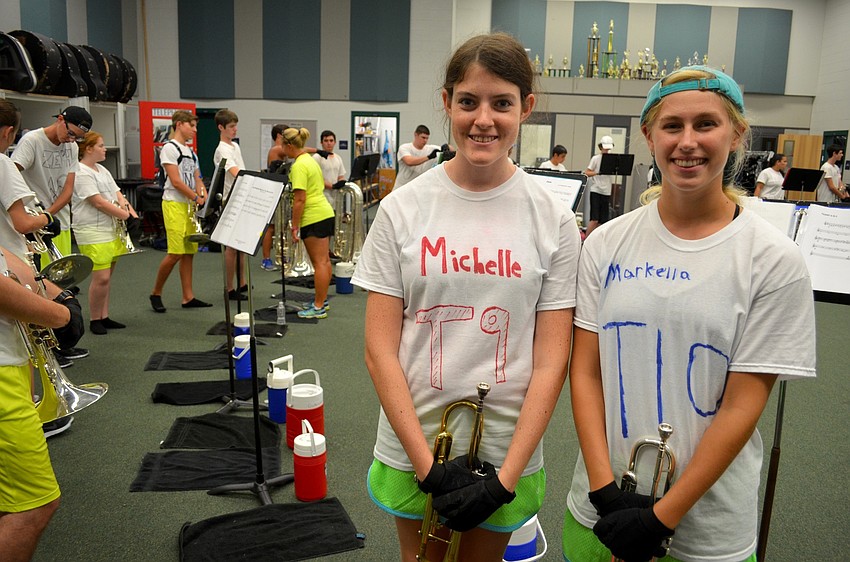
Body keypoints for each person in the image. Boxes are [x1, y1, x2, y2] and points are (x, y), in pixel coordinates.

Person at [563, 66, 816, 562]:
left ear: (737, 134)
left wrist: (662, 515)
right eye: (672, 126)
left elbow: (743, 405)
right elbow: (587, 371)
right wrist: (603, 492)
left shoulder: (774, 261)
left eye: (706, 124)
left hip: (707, 528)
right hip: (601, 506)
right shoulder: (607, 243)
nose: (687, 142)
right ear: (649, 136)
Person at [352, 32, 581, 562]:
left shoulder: (552, 220)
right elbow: (378, 350)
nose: (484, 119)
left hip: (506, 448)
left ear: (526, 106)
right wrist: (427, 467)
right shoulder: (402, 210)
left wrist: (504, 480)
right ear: (447, 101)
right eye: (468, 102)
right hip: (418, 445)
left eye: (502, 103)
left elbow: (552, 361)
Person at [0, 243, 85, 562]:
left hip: (11, 363)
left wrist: (56, 293)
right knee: (33, 506)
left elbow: (5, 260)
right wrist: (60, 314)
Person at [12, 105, 92, 365]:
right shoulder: (32, 140)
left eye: (77, 138)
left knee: (60, 284)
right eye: (70, 133)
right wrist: (35, 218)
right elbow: (12, 176)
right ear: (60, 120)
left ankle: (61, 342)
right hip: (30, 222)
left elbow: (68, 189)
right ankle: (44, 348)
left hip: (53, 220)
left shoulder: (71, 147)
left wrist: (48, 216)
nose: (71, 140)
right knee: (36, 285)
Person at [73, 131, 135, 335]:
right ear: (89, 148)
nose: (105, 148)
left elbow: (117, 193)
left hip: (111, 228)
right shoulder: (81, 172)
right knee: (101, 277)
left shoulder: (101, 169)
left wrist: (130, 210)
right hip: (92, 229)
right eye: (100, 145)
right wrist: (125, 215)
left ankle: (104, 316)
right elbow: (97, 202)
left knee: (108, 275)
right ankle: (94, 319)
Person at [149, 110, 211, 312]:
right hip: (174, 204)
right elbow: (175, 181)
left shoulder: (191, 152)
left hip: (189, 207)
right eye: (191, 125)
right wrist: (195, 196)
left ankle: (188, 296)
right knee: (175, 252)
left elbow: (197, 178)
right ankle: (156, 293)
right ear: (179, 124)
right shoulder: (169, 148)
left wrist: (203, 195)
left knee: (189, 253)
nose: (194, 130)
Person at [281, 128, 335, 319]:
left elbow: (300, 200)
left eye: (282, 145)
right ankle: (321, 300)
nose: (281, 149)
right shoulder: (309, 160)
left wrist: (294, 226)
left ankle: (319, 306)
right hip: (324, 212)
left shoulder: (298, 166)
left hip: (314, 216)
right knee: (324, 262)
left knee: (319, 263)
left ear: (289, 145)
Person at [0, 100, 58, 264]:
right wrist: (47, 218)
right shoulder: (3, 163)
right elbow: (23, 224)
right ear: (8, 132)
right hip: (9, 262)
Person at [212, 109, 247, 300]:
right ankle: (229, 287)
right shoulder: (221, 150)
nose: (235, 130)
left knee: (241, 245)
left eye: (235, 126)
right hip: (229, 200)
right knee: (231, 248)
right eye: (231, 127)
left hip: (241, 198)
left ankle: (242, 283)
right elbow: (235, 172)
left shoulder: (234, 146)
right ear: (221, 127)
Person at [583, 135, 615, 236]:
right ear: (601, 147)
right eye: (604, 148)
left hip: (607, 191)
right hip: (596, 190)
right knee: (594, 219)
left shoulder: (612, 159)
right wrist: (598, 172)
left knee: (603, 220)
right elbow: (587, 172)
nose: (606, 150)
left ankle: (596, 239)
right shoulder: (596, 158)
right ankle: (586, 239)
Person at [394, 124, 442, 189]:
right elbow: (409, 161)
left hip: (418, 188)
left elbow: (450, 148)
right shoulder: (404, 147)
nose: (425, 140)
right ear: (416, 135)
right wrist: (429, 157)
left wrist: (447, 147)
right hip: (401, 187)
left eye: (427, 138)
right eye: (423, 137)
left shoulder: (430, 148)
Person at [313, 129, 346, 206]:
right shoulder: (317, 158)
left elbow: (341, 176)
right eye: (326, 141)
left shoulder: (338, 158)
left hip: (335, 198)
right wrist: (332, 186)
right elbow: (316, 178)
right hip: (322, 197)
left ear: (335, 142)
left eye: (331, 141)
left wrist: (341, 182)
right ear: (321, 143)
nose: (329, 143)